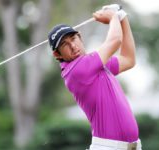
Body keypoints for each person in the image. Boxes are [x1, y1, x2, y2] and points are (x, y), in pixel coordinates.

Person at [48, 4, 142, 150]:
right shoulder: (76, 70)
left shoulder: (95, 65)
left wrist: (122, 18)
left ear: (80, 36)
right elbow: (115, 41)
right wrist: (113, 17)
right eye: (65, 44)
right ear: (57, 54)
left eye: (73, 38)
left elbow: (129, 60)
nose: (73, 46)